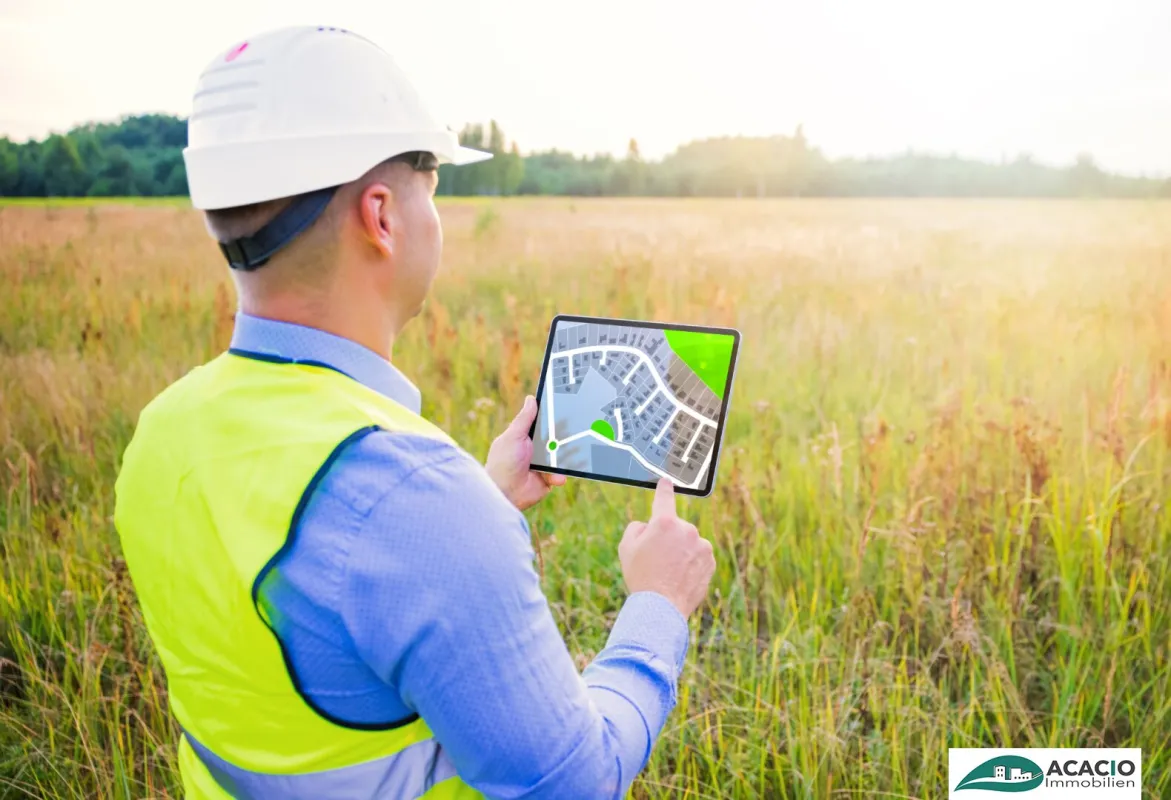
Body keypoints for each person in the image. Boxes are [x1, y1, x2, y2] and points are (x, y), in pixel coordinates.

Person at [113, 25, 716, 800]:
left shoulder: (164, 432)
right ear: (381, 216)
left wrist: (482, 497)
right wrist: (656, 606)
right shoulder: (409, 498)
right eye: (431, 191)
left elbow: (309, 620)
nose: (436, 219)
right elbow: (573, 781)